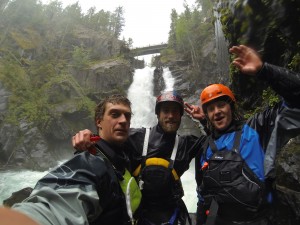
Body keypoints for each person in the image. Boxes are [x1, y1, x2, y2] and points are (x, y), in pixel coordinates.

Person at [184, 45, 300, 225]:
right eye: (211, 109)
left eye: (221, 105)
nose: (217, 112)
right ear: (206, 115)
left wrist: (264, 70)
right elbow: (202, 195)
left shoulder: (257, 128)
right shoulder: (205, 146)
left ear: (232, 106)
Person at [1, 94, 141, 225]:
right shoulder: (91, 162)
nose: (123, 120)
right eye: (115, 114)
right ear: (99, 122)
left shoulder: (124, 153)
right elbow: (59, 201)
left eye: (127, 116)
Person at [73, 91, 206, 225]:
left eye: (175, 111)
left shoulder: (187, 144)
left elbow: (214, 142)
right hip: (139, 217)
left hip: (174, 216)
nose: (170, 116)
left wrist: (204, 120)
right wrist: (89, 137)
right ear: (158, 114)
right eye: (166, 111)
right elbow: (108, 141)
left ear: (181, 115)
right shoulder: (135, 138)